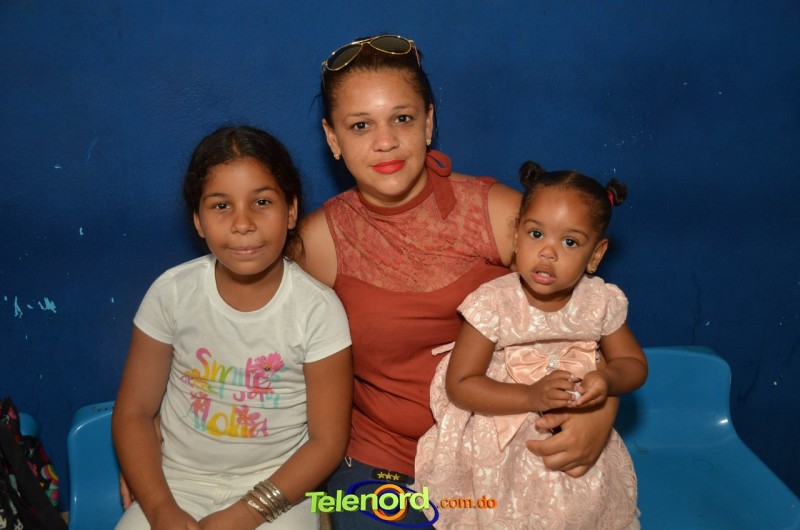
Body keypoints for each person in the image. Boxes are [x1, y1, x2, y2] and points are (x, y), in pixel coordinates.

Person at [298, 34, 623, 528]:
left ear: (429, 122)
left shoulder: (498, 212)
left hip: (507, 452)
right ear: (333, 138)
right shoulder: (318, 242)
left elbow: (587, 318)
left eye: (402, 119)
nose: (385, 142)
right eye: (360, 125)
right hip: (383, 462)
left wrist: (601, 409)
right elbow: (259, 349)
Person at [111, 125, 353, 530]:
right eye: (221, 206)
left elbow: (326, 442)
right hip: (177, 484)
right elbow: (134, 412)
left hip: (278, 493)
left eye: (262, 202)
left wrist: (245, 514)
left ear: (291, 211)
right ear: (198, 220)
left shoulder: (317, 310)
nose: (243, 223)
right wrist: (160, 508)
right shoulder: (173, 293)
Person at [415, 161, 648, 528]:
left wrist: (607, 379)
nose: (548, 252)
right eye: (536, 234)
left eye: (570, 242)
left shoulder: (599, 302)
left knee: (579, 505)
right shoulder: (494, 302)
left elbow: (634, 365)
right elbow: (460, 384)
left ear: (596, 255)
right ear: (516, 237)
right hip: (502, 429)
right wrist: (530, 396)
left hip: (576, 425)